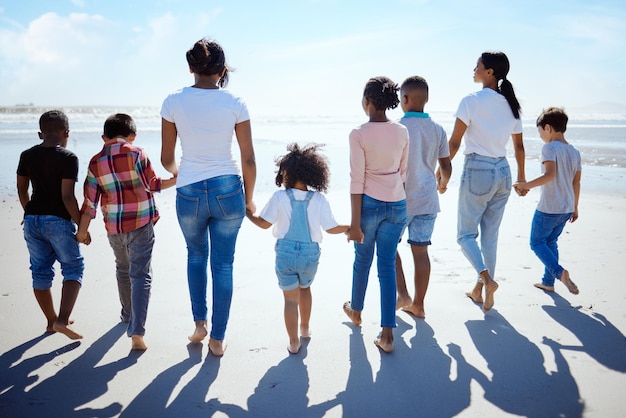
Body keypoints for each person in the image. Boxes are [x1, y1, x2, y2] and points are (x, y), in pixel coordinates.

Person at [160, 38, 256, 356]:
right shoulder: (235, 102)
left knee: (195, 256)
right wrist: (250, 198)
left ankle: (200, 323)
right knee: (223, 265)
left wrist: (181, 173)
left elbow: (166, 158)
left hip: (189, 191)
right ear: (222, 69)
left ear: (190, 68)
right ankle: (217, 339)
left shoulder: (173, 101)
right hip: (228, 188)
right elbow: (248, 159)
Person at [76, 113, 176, 351]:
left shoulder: (95, 161)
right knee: (141, 274)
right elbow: (153, 184)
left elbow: (89, 203)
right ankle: (137, 332)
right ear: (132, 135)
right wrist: (177, 178)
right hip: (141, 224)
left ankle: (127, 314)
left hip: (113, 227)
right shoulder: (136, 152)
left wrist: (82, 232)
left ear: (104, 137)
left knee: (123, 268)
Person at [246, 143, 350, 354]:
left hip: (285, 253)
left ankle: (294, 342)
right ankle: (305, 328)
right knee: (306, 289)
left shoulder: (279, 197)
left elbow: (264, 224)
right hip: (310, 255)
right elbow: (331, 228)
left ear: (289, 173)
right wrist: (350, 227)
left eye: (283, 172)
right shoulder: (319, 199)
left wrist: (247, 213)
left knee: (289, 299)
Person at [446, 51, 526, 312]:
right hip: (503, 171)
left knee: (465, 235)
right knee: (490, 238)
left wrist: (442, 170)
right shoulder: (511, 105)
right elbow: (519, 147)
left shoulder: (471, 101)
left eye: (478, 65)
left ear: (490, 72)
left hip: (478, 170)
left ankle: (488, 281)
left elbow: (455, 142)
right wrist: (522, 177)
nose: (474, 68)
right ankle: (479, 290)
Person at [343, 76, 409, 353]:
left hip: (369, 204)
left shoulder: (358, 133)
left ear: (366, 101)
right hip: (397, 204)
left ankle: (356, 311)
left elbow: (356, 180)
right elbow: (402, 173)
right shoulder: (402, 131)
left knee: (362, 260)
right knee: (386, 268)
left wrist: (355, 223)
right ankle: (387, 335)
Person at [17, 110, 88, 340]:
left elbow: (21, 189)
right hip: (57, 220)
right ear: (67, 133)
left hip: (32, 220)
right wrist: (81, 226)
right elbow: (68, 197)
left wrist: (28, 211)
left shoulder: (26, 155)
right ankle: (62, 320)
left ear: (40, 134)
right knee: (73, 267)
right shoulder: (68, 158)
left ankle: (50, 321)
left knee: (40, 271)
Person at [394, 76, 452, 318]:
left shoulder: (397, 128)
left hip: (402, 200)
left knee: (388, 248)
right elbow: (446, 167)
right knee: (421, 252)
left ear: (404, 100)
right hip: (428, 200)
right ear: (426, 99)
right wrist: (442, 183)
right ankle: (418, 304)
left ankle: (402, 293)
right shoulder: (437, 129)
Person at [514, 107, 580, 295]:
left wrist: (526, 185)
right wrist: (575, 207)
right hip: (566, 208)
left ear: (548, 128)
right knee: (550, 243)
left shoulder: (549, 148)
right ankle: (548, 282)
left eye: (540, 130)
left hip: (549, 208)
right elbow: (577, 182)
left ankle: (560, 273)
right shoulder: (574, 152)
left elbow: (549, 175)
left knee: (536, 243)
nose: (541, 135)